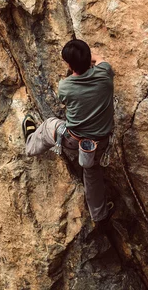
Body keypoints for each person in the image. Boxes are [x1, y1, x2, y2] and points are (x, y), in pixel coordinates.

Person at [23, 39, 115, 225]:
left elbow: (65, 100)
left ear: (69, 65)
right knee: (91, 172)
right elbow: (100, 59)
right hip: (101, 142)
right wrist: (90, 57)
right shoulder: (105, 74)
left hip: (74, 139)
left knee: (49, 125)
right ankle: (99, 215)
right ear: (89, 59)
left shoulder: (66, 87)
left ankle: (30, 144)